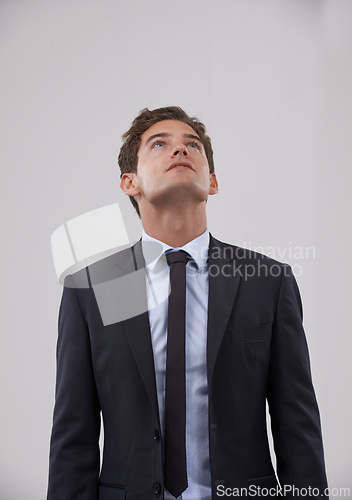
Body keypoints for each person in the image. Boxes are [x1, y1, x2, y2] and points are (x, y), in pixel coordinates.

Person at [47, 106, 328, 499]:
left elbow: (296, 424)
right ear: (130, 182)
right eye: (159, 144)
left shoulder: (266, 281)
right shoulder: (93, 288)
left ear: (212, 182)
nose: (180, 151)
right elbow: (73, 433)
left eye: (192, 145)